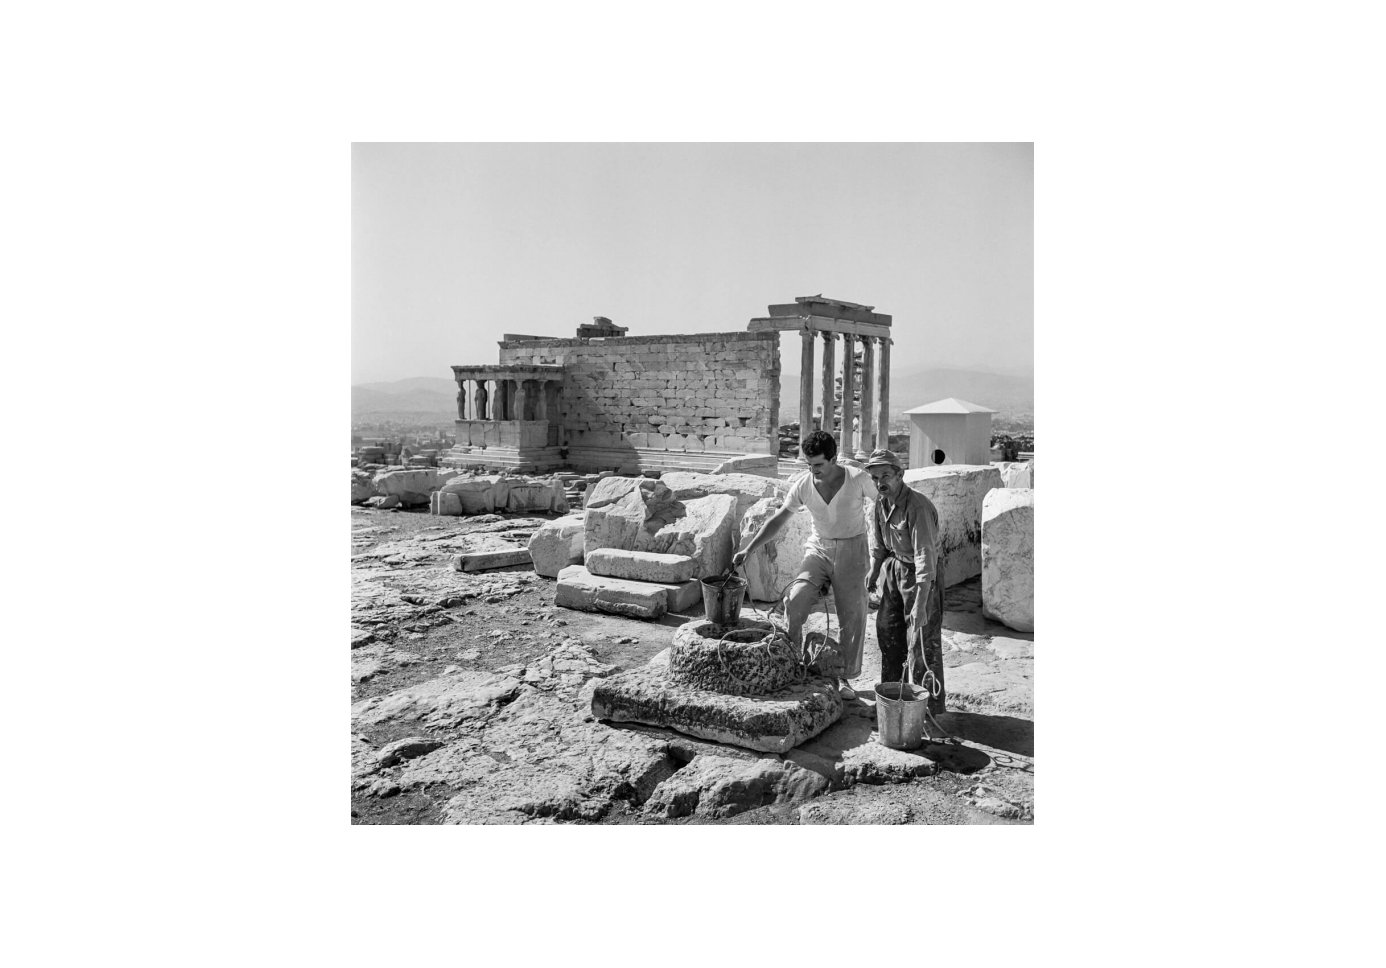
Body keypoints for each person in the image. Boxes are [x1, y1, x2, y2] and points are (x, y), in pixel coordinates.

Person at [732, 430, 876, 699]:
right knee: (796, 598)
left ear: (834, 459)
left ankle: (844, 676)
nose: (813, 470)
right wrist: (749, 549)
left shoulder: (858, 479)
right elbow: (778, 520)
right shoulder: (804, 484)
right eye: (810, 465)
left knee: (853, 614)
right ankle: (792, 659)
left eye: (819, 465)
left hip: (853, 549)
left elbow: (884, 505)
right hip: (819, 548)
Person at [864, 448, 946, 716]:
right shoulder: (881, 502)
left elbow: (925, 561)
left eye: (885, 476)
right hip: (894, 570)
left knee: (921, 640)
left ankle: (928, 710)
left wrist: (920, 605)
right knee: (889, 634)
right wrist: (875, 572)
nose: (880, 483)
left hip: (920, 576)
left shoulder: (917, 507)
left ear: (900, 475)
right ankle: (893, 701)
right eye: (875, 478)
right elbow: (880, 545)